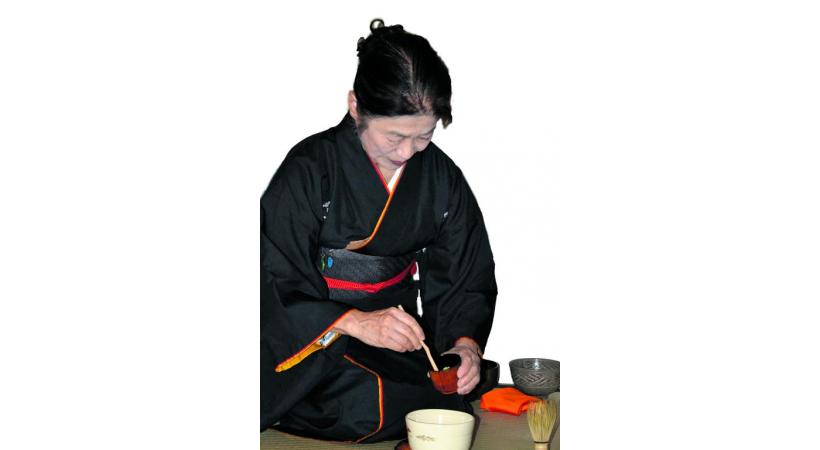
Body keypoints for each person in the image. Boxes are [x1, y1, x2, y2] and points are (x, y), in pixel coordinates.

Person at [260, 19, 497, 443]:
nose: (407, 153)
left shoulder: (441, 177)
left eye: (422, 137)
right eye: (394, 137)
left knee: (445, 395)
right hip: (318, 340)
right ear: (356, 107)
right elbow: (274, 276)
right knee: (365, 400)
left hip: (395, 340)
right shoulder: (310, 169)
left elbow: (466, 272)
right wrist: (354, 322)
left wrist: (464, 347)